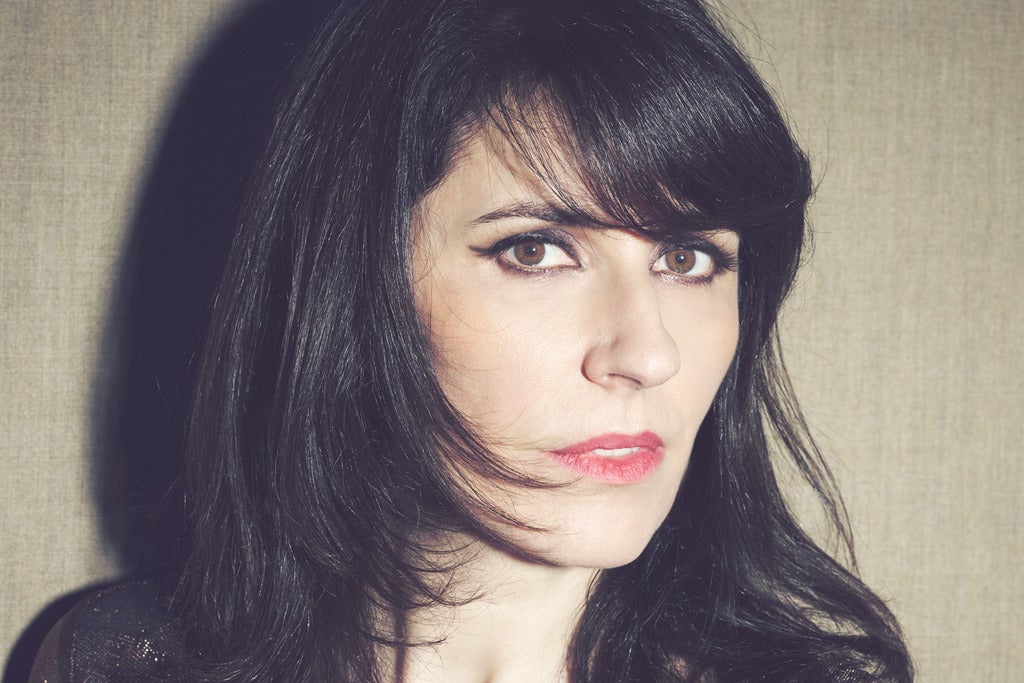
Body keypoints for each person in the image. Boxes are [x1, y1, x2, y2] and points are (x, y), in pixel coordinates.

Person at [31, 0, 914, 680]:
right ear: (355, 281)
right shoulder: (124, 662)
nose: (649, 354)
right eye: (536, 250)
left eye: (687, 257)